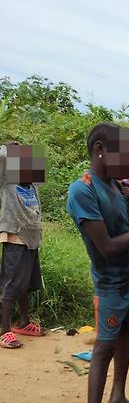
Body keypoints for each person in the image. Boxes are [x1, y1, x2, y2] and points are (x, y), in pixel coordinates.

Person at [66, 124, 129, 403]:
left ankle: (119, 398)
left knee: (125, 336)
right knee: (103, 348)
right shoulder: (82, 191)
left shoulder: (117, 186)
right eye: (124, 154)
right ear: (100, 149)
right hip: (111, 284)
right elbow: (108, 247)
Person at [0, 143, 46, 349]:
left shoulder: (32, 185)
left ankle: (23, 322)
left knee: (25, 283)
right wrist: (10, 148)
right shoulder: (7, 183)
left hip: (32, 239)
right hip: (15, 236)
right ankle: (4, 331)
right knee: (11, 285)